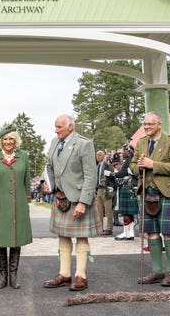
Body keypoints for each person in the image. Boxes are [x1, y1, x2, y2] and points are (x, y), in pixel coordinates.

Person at [42, 114, 100, 292]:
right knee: (63, 235)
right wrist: (48, 185)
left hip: (78, 198)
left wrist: (83, 202)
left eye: (59, 127)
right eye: (55, 126)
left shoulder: (84, 144)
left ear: (70, 127)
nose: (56, 130)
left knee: (81, 237)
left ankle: (81, 276)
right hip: (60, 198)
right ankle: (64, 274)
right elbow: (50, 167)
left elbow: (91, 175)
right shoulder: (53, 142)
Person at [130, 111, 170, 287]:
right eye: (145, 124)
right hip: (147, 192)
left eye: (150, 124)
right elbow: (132, 164)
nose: (146, 127)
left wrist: (154, 165)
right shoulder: (141, 143)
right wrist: (138, 167)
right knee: (151, 233)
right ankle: (157, 270)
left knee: (168, 232)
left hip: (166, 193)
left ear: (159, 125)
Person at [0, 125, 33, 290]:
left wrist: (27, 201)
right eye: (5, 139)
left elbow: (27, 179)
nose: (8, 142)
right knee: (0, 240)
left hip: (18, 203)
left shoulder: (24, 156)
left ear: (16, 140)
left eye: (11, 138)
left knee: (15, 239)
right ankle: (3, 276)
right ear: (1, 141)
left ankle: (13, 276)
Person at [114, 146, 138, 241]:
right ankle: (130, 233)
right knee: (130, 213)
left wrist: (112, 174)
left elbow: (122, 173)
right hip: (131, 187)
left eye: (123, 152)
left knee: (126, 213)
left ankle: (127, 233)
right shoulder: (132, 160)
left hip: (126, 187)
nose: (121, 153)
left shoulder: (128, 161)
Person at [95, 150, 115, 236]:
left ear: (103, 156)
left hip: (106, 189)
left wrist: (108, 162)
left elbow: (112, 174)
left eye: (99, 155)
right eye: (97, 155)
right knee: (99, 210)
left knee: (107, 210)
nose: (98, 156)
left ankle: (108, 228)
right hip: (99, 189)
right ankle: (100, 228)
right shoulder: (98, 166)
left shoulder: (107, 164)